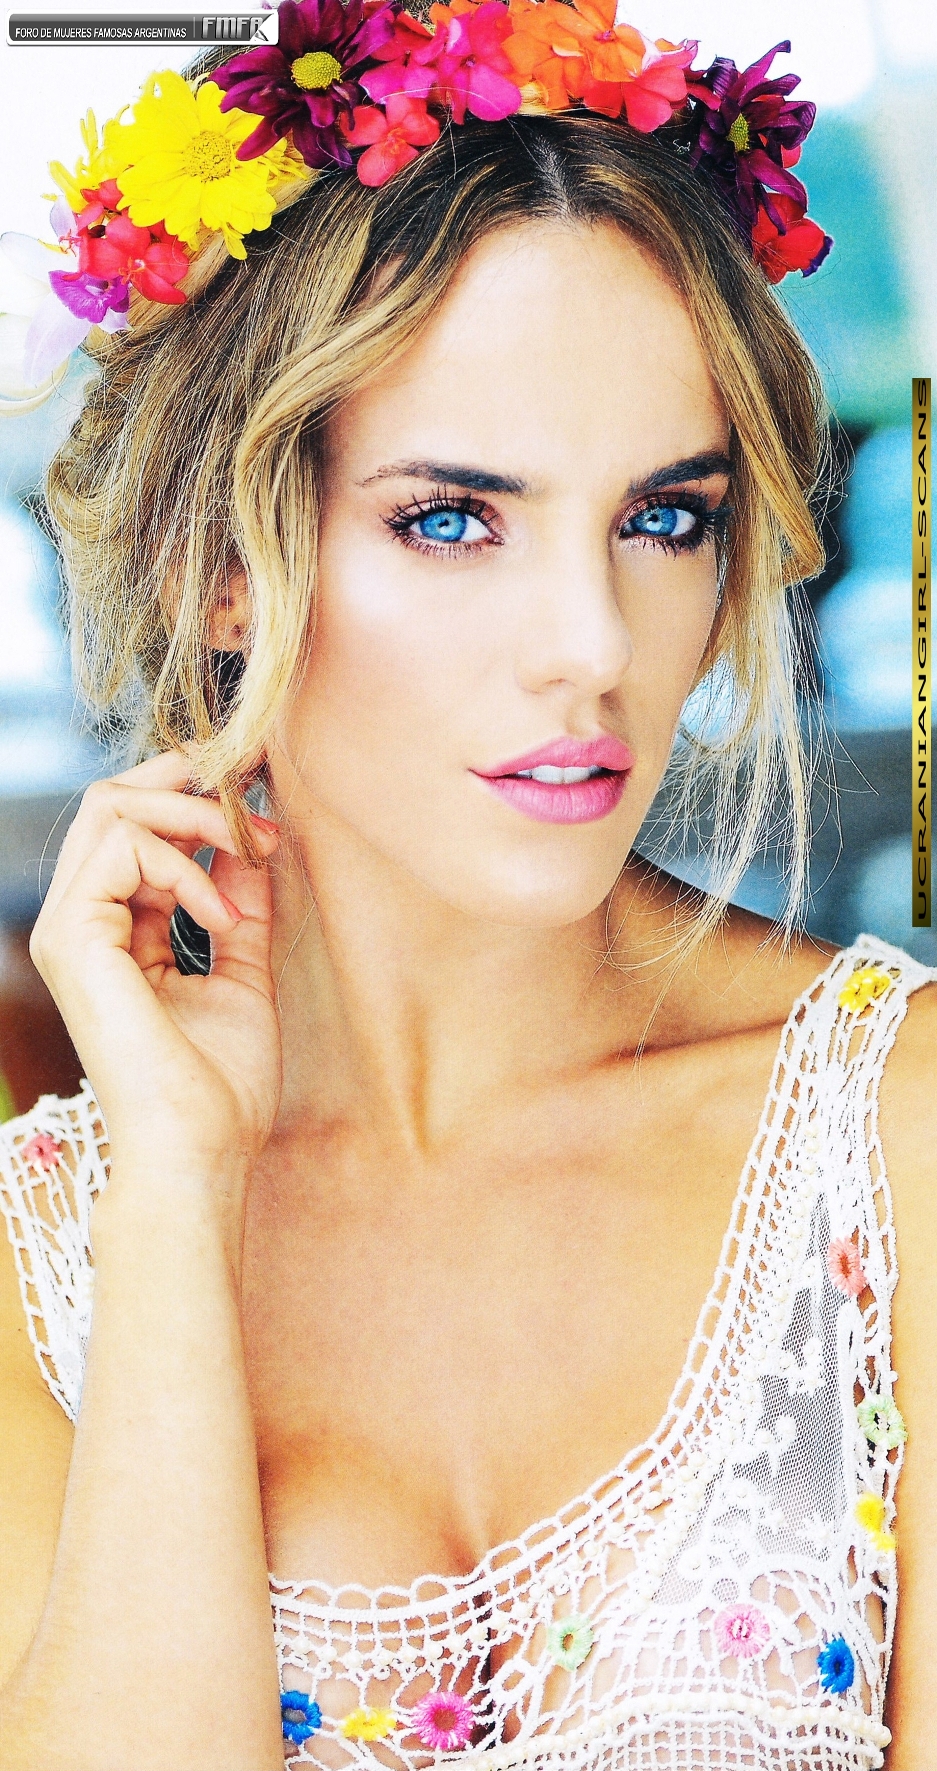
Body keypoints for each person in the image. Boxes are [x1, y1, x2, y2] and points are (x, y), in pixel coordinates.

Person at [0, 11, 934, 1768]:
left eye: (663, 518)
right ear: (219, 562)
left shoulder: (894, 1137)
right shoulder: (42, 1252)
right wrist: (178, 1193)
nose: (591, 648)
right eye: (451, 519)